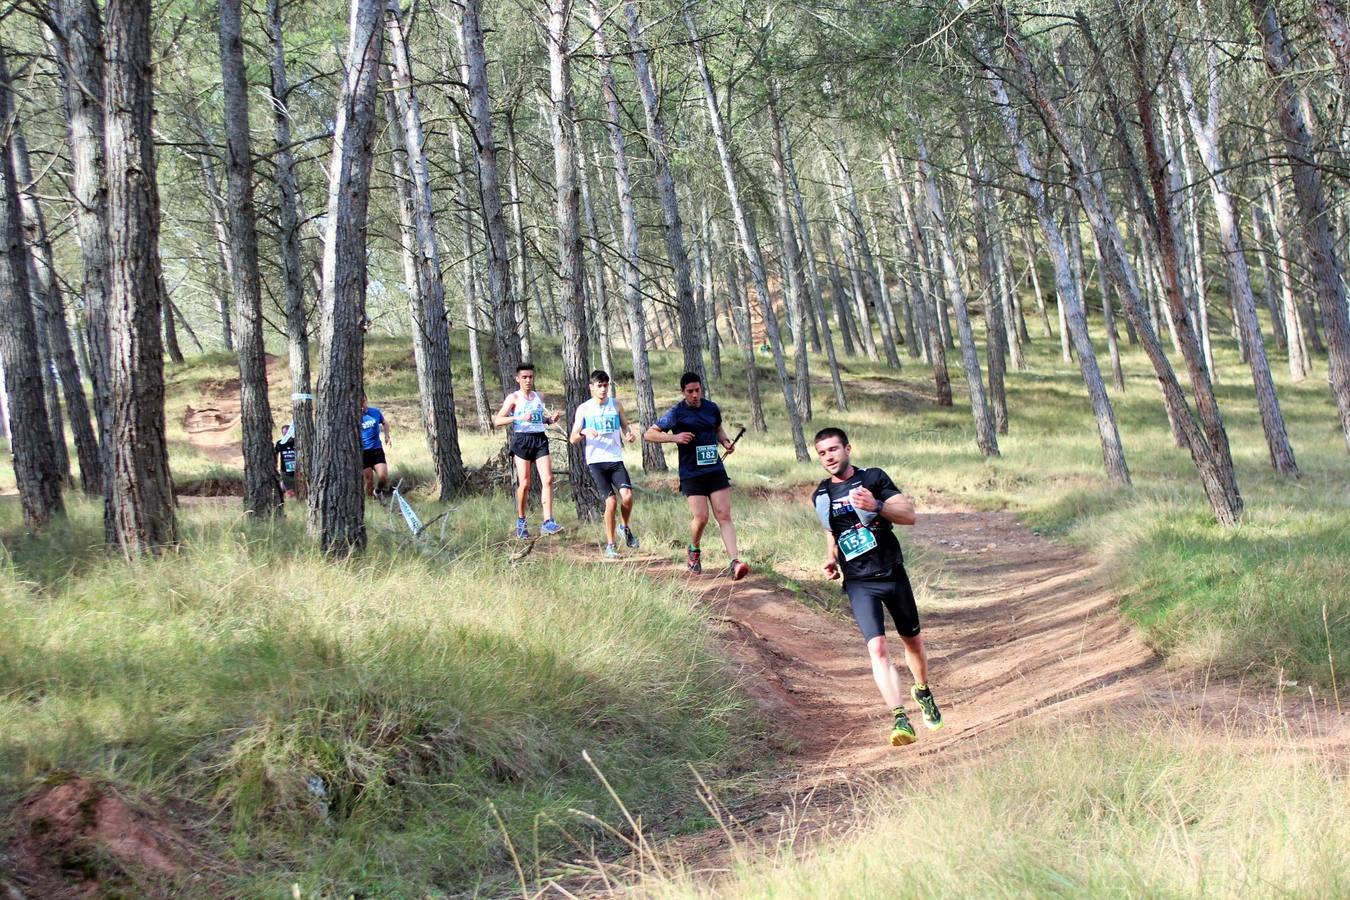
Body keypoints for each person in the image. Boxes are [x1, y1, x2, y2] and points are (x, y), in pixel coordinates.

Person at [811, 427, 943, 747]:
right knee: (878, 648)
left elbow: (909, 515)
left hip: (891, 573)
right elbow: (833, 531)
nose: (829, 457)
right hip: (858, 582)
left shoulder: (873, 479)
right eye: (822, 453)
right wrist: (830, 558)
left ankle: (922, 690)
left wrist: (877, 505)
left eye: (833, 449)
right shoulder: (822, 495)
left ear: (848, 449)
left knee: (912, 642)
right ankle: (900, 719)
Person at [644, 372, 749, 580]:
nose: (695, 395)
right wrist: (674, 437)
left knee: (724, 514)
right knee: (701, 517)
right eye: (690, 391)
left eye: (698, 390)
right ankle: (694, 550)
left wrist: (726, 442)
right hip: (691, 472)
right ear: (683, 392)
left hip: (715, 469)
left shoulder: (711, 408)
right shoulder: (676, 412)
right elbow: (649, 434)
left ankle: (735, 562)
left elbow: (717, 428)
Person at [570, 370, 640, 559]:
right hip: (596, 462)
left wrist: (628, 434)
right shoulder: (584, 409)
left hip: (615, 459)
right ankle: (610, 546)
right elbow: (572, 438)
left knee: (627, 496)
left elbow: (625, 425)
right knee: (611, 502)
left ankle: (624, 527)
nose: (603, 389)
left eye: (605, 385)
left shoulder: (616, 404)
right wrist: (585, 431)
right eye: (599, 386)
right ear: (591, 387)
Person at [493, 362, 564, 538]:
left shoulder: (539, 396)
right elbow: (497, 420)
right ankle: (521, 520)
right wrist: (517, 417)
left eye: (530, 377)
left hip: (540, 439)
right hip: (522, 440)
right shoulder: (514, 398)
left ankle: (548, 522)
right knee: (524, 483)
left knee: (548, 479)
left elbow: (539, 419)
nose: (528, 380)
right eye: (524, 377)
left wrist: (549, 420)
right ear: (518, 379)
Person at [360, 395, 392, 498]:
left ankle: (377, 492)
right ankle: (371, 503)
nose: (362, 404)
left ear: (366, 400)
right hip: (363, 452)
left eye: (363, 401)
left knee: (383, 477)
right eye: (359, 402)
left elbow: (385, 423)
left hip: (377, 450)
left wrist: (387, 435)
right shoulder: (352, 415)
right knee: (368, 480)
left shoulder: (375, 412)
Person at [274, 422, 298, 499]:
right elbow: (275, 454)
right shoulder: (280, 443)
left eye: (288, 433)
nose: (286, 435)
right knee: (289, 492)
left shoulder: (297, 441)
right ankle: (292, 507)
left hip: (298, 471)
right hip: (285, 471)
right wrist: (275, 466)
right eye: (284, 433)